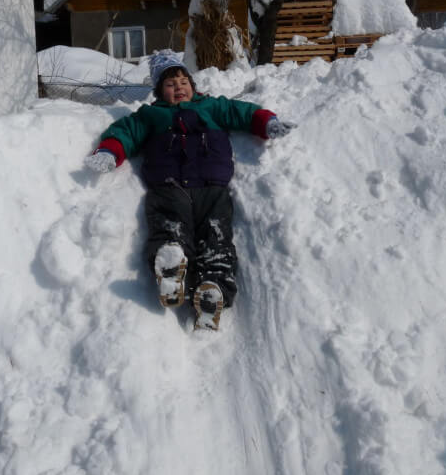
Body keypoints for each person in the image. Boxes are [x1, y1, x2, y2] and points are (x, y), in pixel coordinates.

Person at [85, 50, 294, 329]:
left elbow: (241, 112)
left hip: (212, 189)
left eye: (183, 82)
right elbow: (126, 131)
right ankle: (170, 271)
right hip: (169, 188)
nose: (179, 88)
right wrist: (110, 152)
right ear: (160, 91)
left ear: (192, 86)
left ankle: (212, 290)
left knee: (216, 238)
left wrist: (267, 122)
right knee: (169, 228)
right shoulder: (151, 115)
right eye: (171, 85)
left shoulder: (211, 107)